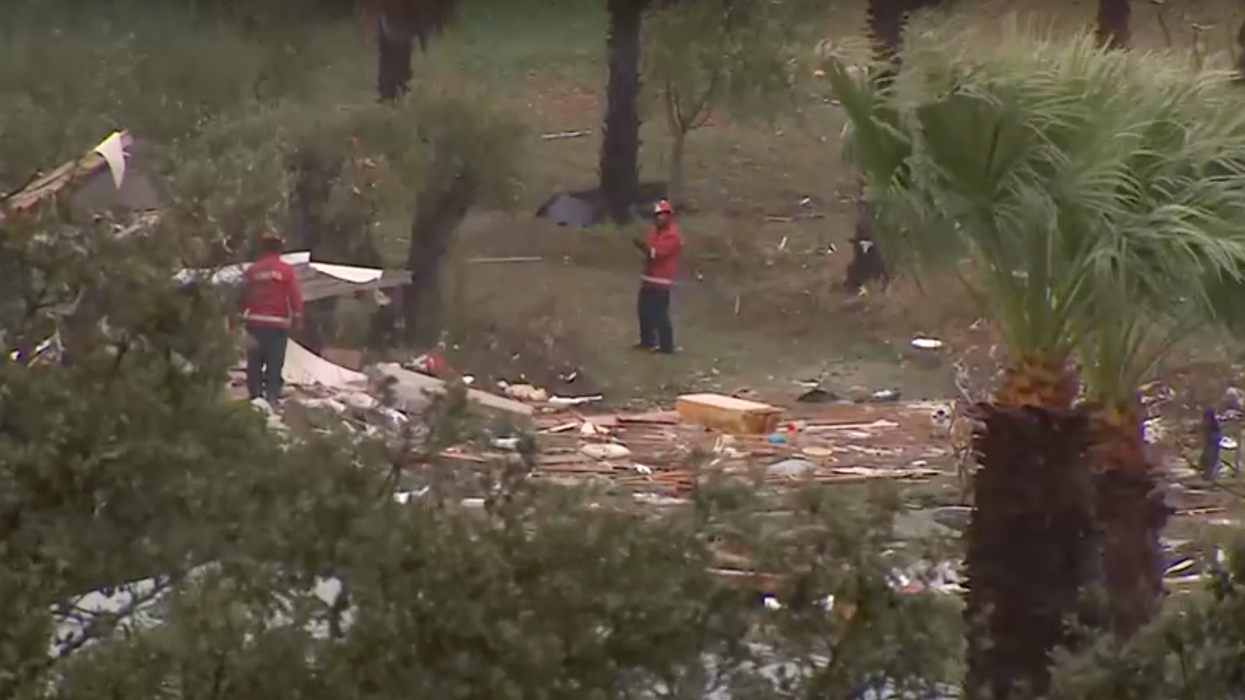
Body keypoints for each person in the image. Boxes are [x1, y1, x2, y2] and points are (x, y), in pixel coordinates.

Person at [237, 231, 304, 403]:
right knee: (274, 363)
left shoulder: (252, 271)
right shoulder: (285, 270)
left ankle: (255, 398)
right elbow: (294, 296)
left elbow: (242, 296)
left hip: (255, 323)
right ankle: (272, 397)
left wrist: (238, 315)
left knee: (254, 363)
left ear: (262, 248)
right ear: (279, 248)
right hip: (277, 326)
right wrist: (297, 317)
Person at [633, 198, 681, 354]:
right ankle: (647, 341)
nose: (658, 218)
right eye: (656, 215)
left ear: (668, 216)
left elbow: (659, 253)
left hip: (661, 279)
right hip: (648, 278)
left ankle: (667, 346)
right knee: (643, 310)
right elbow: (649, 248)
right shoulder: (653, 231)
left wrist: (647, 249)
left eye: (661, 215)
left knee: (660, 314)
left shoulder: (672, 234)